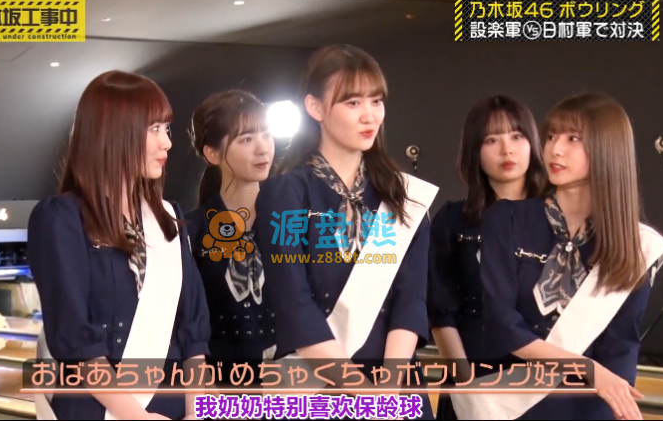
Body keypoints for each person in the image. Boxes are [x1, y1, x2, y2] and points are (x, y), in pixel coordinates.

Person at [451, 93, 663, 420]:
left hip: (587, 406)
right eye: (552, 136)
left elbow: (620, 348)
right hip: (504, 404)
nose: (555, 149)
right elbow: (502, 325)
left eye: (573, 139)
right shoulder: (506, 219)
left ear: (607, 149)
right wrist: (587, 369)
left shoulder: (635, 245)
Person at [255, 44, 438, 419]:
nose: (369, 115)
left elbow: (410, 301)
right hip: (315, 385)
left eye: (376, 101)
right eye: (353, 103)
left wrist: (388, 389)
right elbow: (294, 304)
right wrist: (363, 393)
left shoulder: (403, 194)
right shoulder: (286, 193)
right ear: (315, 107)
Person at [28, 70, 211, 420]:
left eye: (167, 129)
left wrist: (196, 411)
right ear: (115, 132)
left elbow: (192, 332)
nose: (167, 143)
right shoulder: (61, 218)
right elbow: (76, 340)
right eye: (154, 129)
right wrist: (137, 417)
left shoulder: (167, 217)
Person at [428, 96, 546, 420]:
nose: (507, 150)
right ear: (474, 150)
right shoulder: (452, 220)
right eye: (491, 140)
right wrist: (466, 382)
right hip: (471, 373)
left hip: (544, 379)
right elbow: (441, 312)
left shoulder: (557, 219)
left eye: (516, 136)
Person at [185, 89, 277, 386]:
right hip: (219, 388)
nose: (262, 149)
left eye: (266, 135)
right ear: (212, 153)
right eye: (246, 139)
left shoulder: (293, 222)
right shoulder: (191, 231)